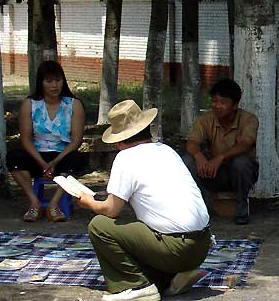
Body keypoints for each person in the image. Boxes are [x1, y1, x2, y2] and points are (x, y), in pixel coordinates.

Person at [77, 100, 211, 301]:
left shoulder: (126, 158)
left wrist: (88, 201)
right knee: (138, 228)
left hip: (175, 247)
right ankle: (171, 277)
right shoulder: (166, 150)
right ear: (147, 129)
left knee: (100, 226)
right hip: (201, 245)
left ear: (118, 140)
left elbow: (111, 210)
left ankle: (135, 286)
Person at [7, 60, 86, 222]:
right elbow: (26, 139)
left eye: (58, 80)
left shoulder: (74, 105)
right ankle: (34, 203)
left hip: (62, 155)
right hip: (37, 155)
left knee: (77, 159)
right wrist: (43, 163)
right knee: (13, 157)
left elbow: (76, 141)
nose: (54, 85)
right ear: (41, 83)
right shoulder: (30, 104)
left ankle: (54, 204)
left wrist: (55, 162)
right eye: (49, 81)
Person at [184, 78, 259, 225]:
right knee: (187, 160)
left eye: (223, 102)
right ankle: (200, 206)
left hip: (240, 173)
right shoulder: (205, 119)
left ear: (235, 105)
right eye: (214, 101)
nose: (217, 106)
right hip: (214, 171)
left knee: (241, 163)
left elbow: (245, 144)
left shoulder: (249, 119)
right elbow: (192, 142)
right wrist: (199, 156)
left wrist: (220, 157)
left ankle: (242, 208)